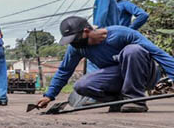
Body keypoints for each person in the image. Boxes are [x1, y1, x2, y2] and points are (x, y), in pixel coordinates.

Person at [35, 15, 174, 113]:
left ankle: (136, 100)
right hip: (118, 77)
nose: (73, 43)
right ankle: (119, 100)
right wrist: (49, 95)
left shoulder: (122, 34)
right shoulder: (77, 48)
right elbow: (64, 70)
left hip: (145, 73)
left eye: (74, 39)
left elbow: (159, 54)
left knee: (132, 50)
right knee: (81, 86)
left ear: (86, 31)